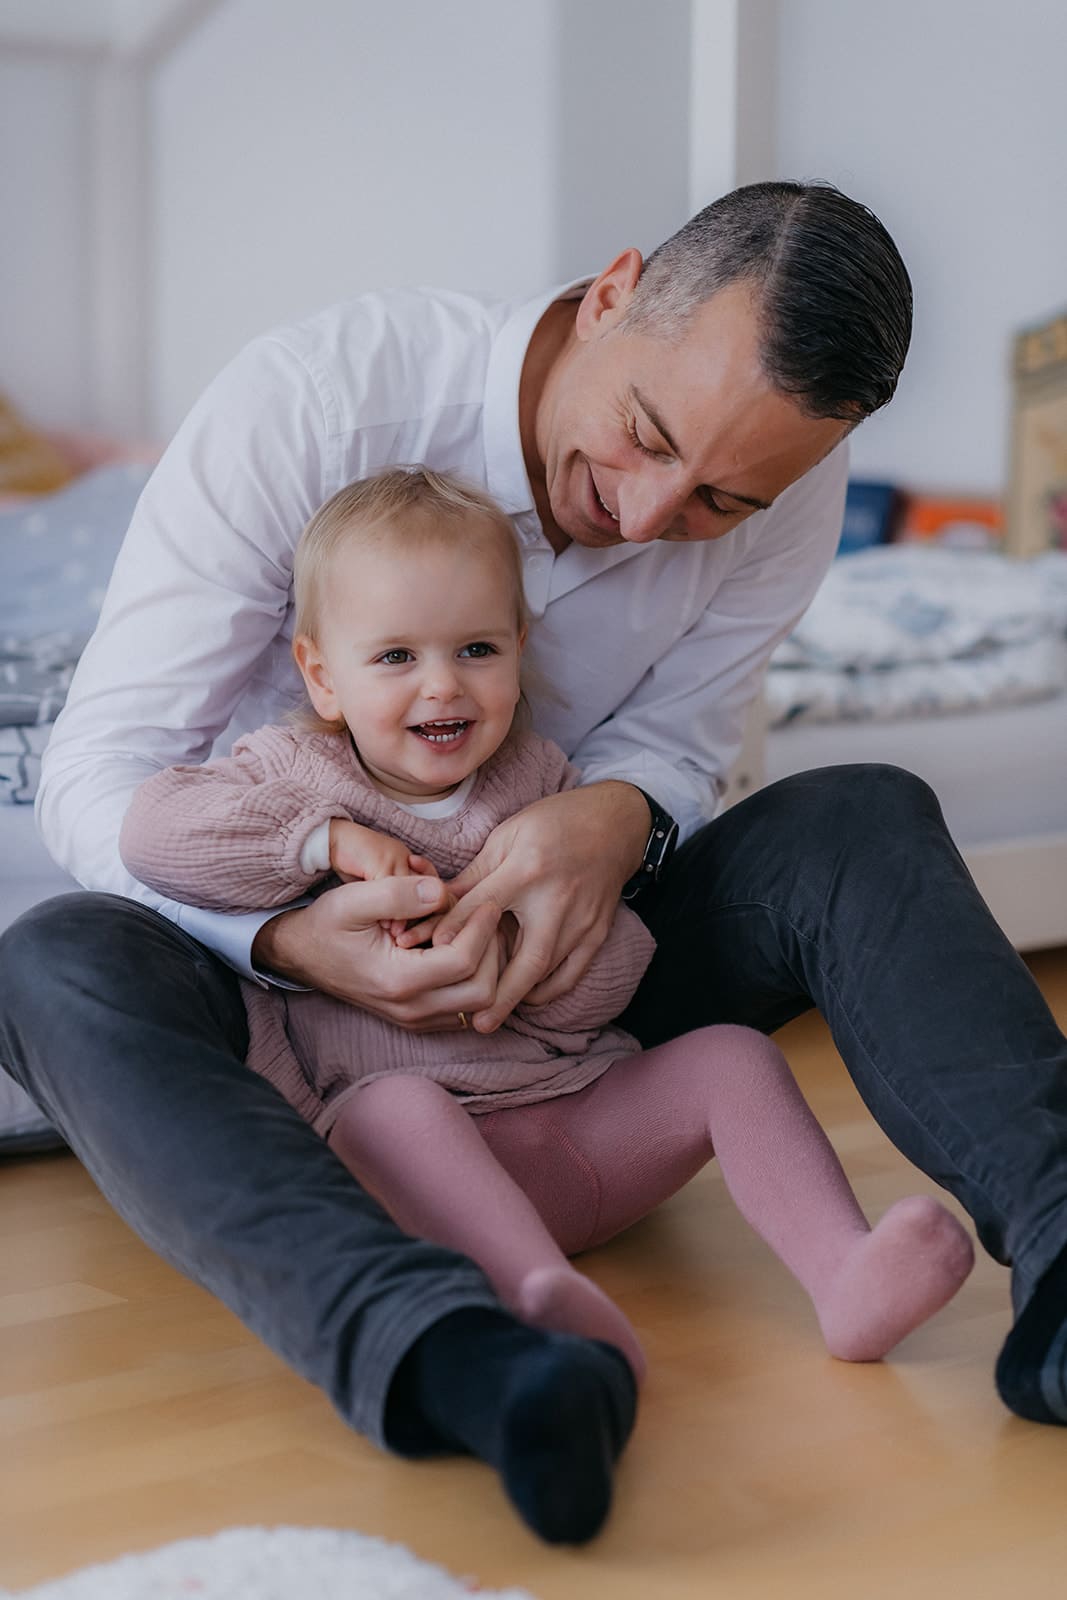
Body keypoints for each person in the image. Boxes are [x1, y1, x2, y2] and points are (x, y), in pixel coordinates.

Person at [1, 180, 1065, 1547]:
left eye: (716, 501)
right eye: (643, 437)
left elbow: (681, 750)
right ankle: (451, 1348)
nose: (642, 515)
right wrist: (278, 937)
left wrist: (614, 816)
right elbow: (101, 784)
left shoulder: (786, 491)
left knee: (857, 810)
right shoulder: (319, 404)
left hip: (566, 1007)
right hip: (303, 1014)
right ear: (611, 291)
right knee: (54, 964)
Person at [117, 463, 974, 1396]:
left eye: (477, 649)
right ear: (322, 677)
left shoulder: (542, 786)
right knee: (392, 1108)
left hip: (579, 1135)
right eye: (396, 657)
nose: (441, 686)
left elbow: (614, 976)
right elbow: (154, 833)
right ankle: (536, 1301)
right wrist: (321, 842)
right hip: (409, 1177)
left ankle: (844, 1274)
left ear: (520, 648)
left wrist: (532, 966)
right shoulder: (290, 775)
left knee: (730, 1054)